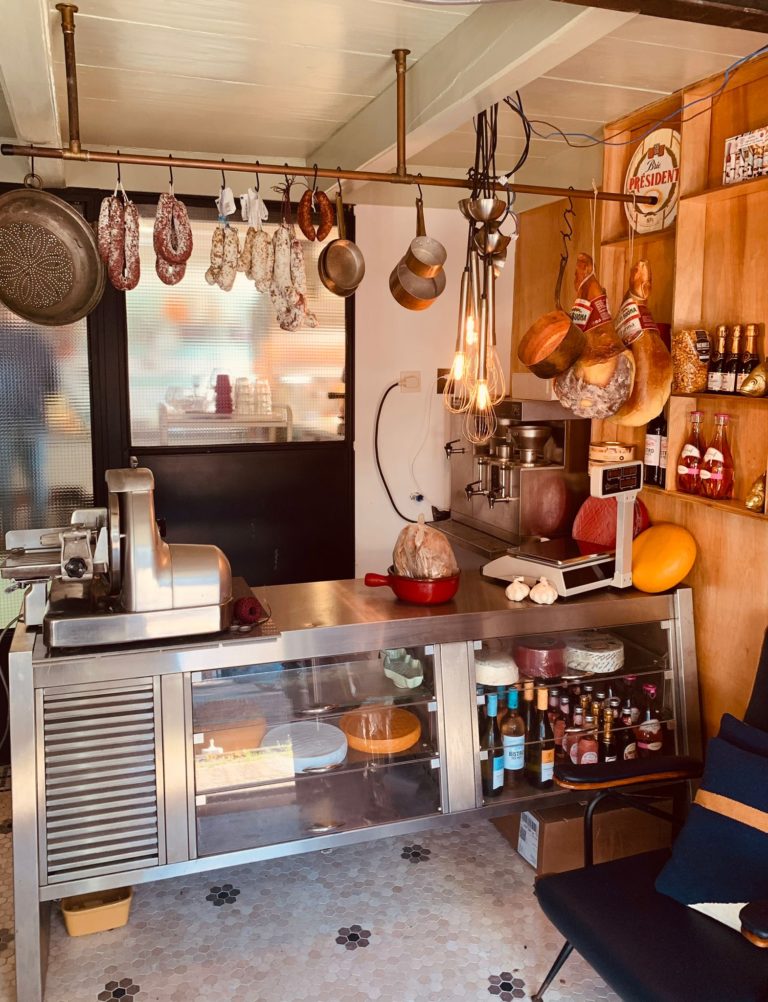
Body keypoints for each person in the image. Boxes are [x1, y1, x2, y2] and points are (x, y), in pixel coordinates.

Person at [0, 322, 59, 536]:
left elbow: (52, 384)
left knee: (4, 483)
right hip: (31, 421)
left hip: (7, 422)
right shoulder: (36, 341)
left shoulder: (32, 340)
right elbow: (53, 385)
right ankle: (38, 535)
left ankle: (8, 538)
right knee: (36, 482)